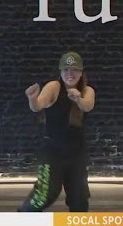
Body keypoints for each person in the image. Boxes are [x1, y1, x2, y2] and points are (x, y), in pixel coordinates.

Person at [18, 51, 96, 212]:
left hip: (76, 153)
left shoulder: (87, 90)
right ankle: (22, 219)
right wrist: (32, 98)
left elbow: (88, 106)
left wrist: (78, 99)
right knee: (45, 194)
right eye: (66, 70)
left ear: (81, 72)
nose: (70, 74)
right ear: (60, 71)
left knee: (79, 198)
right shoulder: (54, 86)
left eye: (74, 70)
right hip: (52, 153)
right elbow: (38, 106)